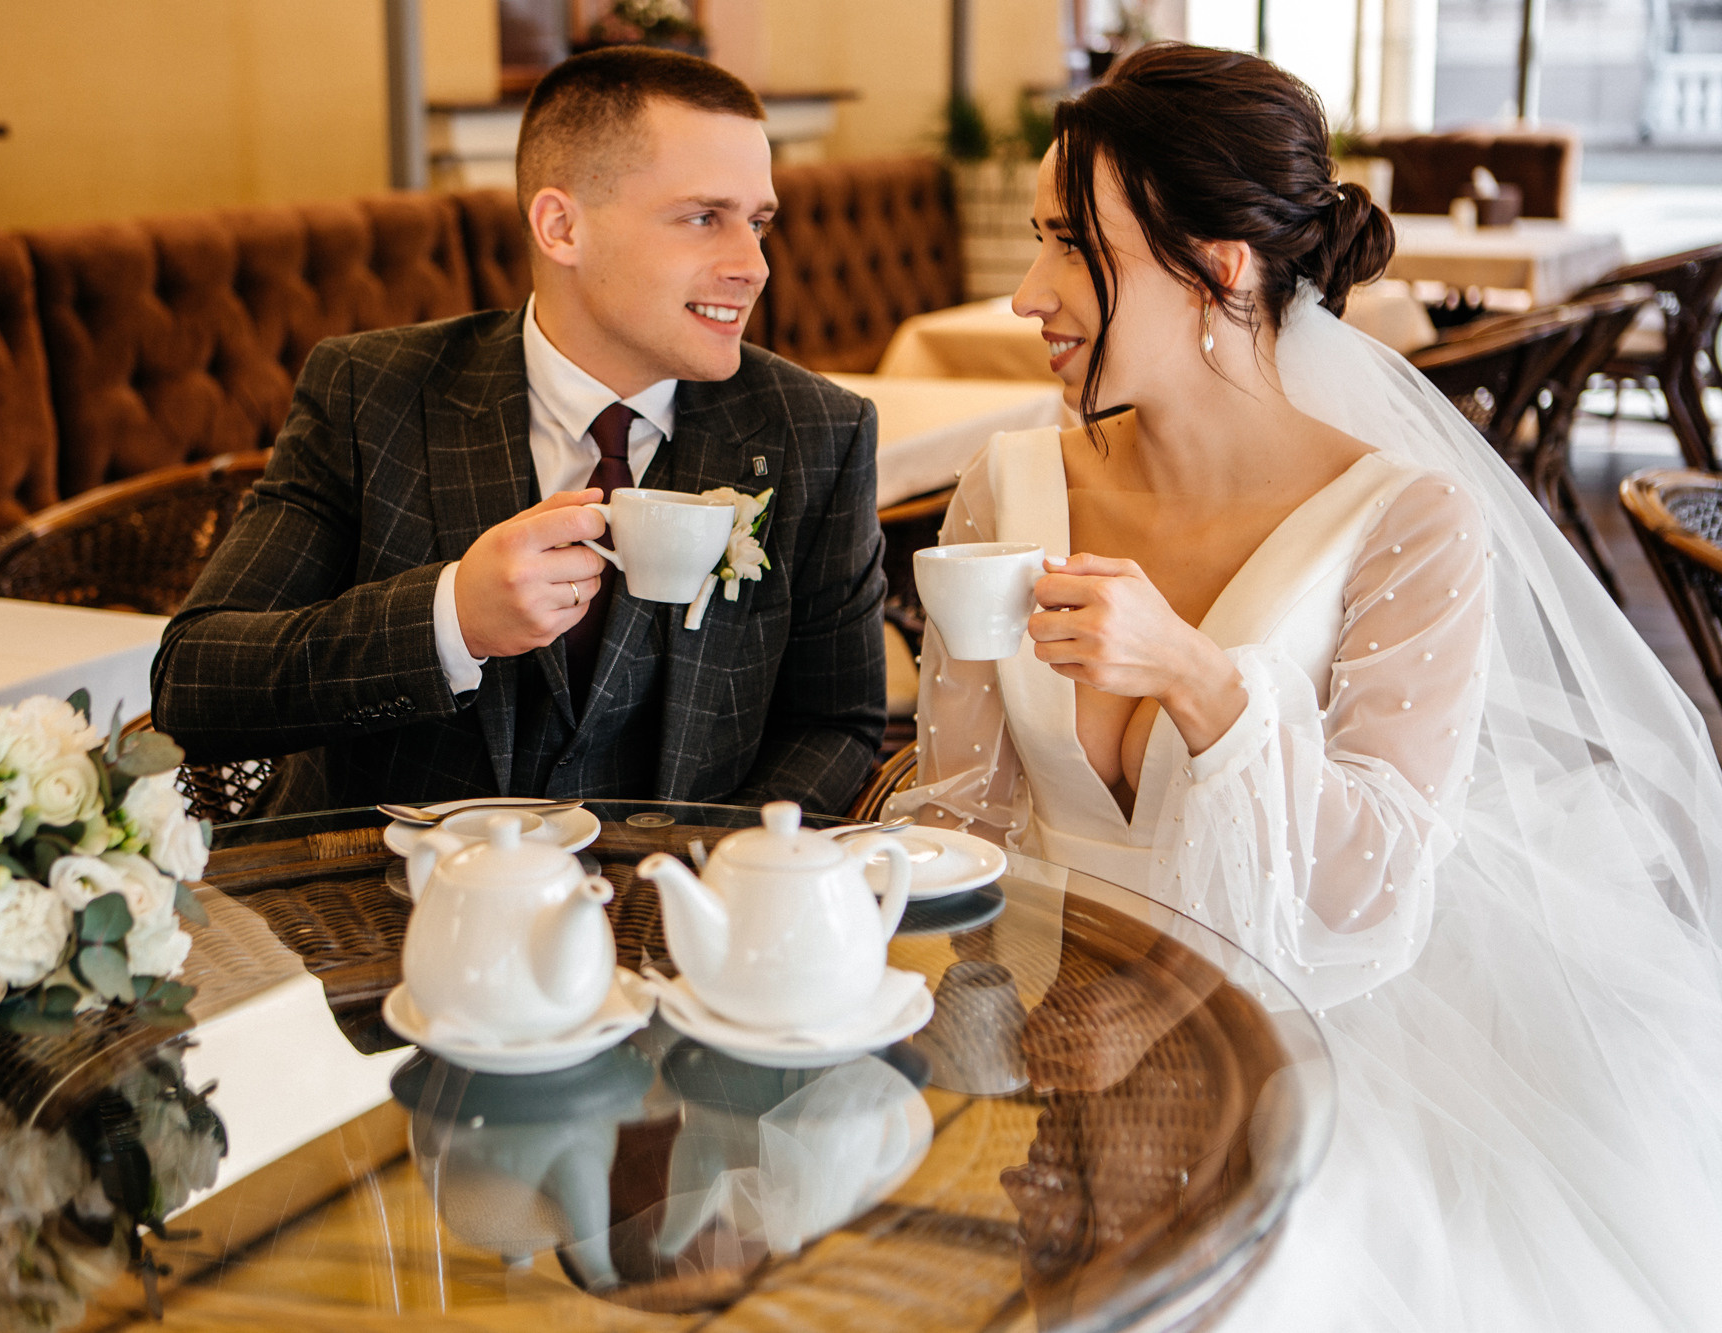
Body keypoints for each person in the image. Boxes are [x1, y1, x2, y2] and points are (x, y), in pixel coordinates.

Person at [889, 42, 1722, 1331]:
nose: (1023, 293)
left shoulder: (1407, 524)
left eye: (1069, 245)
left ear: (1220, 267)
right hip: (1045, 1035)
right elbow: (962, 819)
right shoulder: (1008, 492)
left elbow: (1368, 884)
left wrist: (1201, 680)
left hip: (1310, 1036)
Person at [151, 48, 885, 815]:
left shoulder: (816, 431)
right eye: (703, 218)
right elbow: (194, 687)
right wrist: (451, 619)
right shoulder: (371, 393)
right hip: (386, 884)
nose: (754, 265)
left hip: (679, 887)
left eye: (758, 222)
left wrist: (723, 861)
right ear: (561, 227)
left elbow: (835, 722)